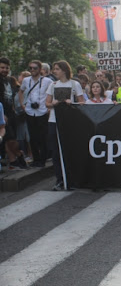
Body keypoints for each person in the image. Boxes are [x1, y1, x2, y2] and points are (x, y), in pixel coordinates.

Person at [45, 60, 85, 190]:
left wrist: (71, 103)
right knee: (56, 152)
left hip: (69, 122)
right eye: (54, 69)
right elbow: (47, 103)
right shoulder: (53, 84)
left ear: (64, 70)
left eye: (56, 69)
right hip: (54, 121)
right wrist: (54, 103)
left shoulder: (75, 84)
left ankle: (72, 178)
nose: (54, 71)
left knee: (70, 150)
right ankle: (59, 179)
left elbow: (82, 103)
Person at [19, 60, 53, 168]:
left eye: (35, 68)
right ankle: (36, 159)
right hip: (30, 111)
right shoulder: (26, 80)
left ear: (40, 69)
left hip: (42, 111)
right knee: (32, 136)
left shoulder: (47, 81)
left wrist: (48, 107)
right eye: (30, 68)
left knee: (42, 136)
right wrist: (22, 105)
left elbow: (52, 94)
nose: (32, 70)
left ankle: (42, 159)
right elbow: (21, 91)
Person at [0, 57, 28, 170]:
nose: (4, 70)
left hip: (11, 113)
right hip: (2, 114)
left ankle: (13, 161)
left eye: (7, 68)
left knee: (8, 139)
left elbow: (10, 97)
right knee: (10, 138)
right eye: (2, 67)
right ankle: (19, 155)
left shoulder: (9, 80)